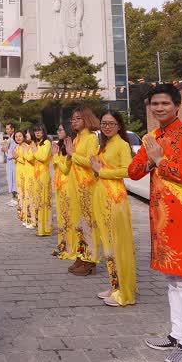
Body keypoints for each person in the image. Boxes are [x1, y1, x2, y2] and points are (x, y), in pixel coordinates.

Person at [128, 84, 182, 362]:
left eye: (165, 103)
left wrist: (161, 160)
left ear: (177, 105)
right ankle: (177, 334)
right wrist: (150, 159)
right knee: (172, 279)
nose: (159, 108)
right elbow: (133, 172)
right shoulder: (152, 136)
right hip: (160, 216)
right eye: (154, 104)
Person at [89, 111, 136, 307]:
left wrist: (102, 171)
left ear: (119, 126)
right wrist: (95, 168)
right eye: (104, 123)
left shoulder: (122, 145)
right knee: (108, 245)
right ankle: (114, 285)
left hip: (114, 199)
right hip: (102, 196)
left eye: (111, 124)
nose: (106, 127)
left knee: (117, 245)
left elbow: (129, 170)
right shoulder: (105, 144)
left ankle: (124, 292)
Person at [63, 107, 101, 276]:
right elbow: (69, 164)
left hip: (86, 186)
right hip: (75, 186)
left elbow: (90, 162)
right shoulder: (77, 139)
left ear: (87, 119)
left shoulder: (91, 138)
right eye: (73, 119)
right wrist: (68, 155)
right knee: (78, 223)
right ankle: (81, 254)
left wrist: (73, 154)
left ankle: (90, 259)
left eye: (78, 118)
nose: (74, 121)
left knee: (88, 223)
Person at [52, 124, 77, 260]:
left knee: (68, 217)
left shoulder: (70, 147)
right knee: (62, 218)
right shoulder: (61, 146)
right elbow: (57, 167)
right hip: (60, 185)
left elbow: (65, 169)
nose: (58, 131)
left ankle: (71, 247)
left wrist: (55, 156)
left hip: (68, 185)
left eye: (61, 129)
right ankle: (63, 245)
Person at [31, 124, 53, 236]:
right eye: (35, 131)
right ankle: (40, 227)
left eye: (39, 131)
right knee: (39, 201)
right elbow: (31, 157)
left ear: (43, 131)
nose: (37, 133)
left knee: (44, 201)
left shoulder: (47, 143)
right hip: (37, 174)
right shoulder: (37, 143)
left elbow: (43, 157)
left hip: (44, 174)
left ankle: (46, 228)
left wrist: (34, 151)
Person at [20, 129, 38, 230]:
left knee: (32, 198)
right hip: (27, 173)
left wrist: (24, 152)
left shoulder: (32, 145)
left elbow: (30, 158)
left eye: (27, 133)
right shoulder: (29, 145)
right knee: (29, 197)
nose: (26, 134)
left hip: (32, 173)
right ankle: (31, 219)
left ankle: (34, 220)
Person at [12, 130, 28, 224]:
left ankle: (27, 215)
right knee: (20, 193)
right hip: (18, 172)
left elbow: (27, 160)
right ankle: (22, 214)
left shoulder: (25, 146)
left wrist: (17, 157)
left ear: (24, 137)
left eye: (20, 136)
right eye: (16, 137)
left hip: (24, 172)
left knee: (25, 194)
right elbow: (16, 160)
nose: (18, 138)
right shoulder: (17, 147)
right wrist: (15, 158)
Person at [3, 123, 18, 207]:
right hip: (9, 162)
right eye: (6, 129)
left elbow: (15, 151)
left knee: (14, 179)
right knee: (10, 179)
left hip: (14, 162)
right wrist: (5, 150)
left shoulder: (15, 138)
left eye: (8, 129)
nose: (7, 130)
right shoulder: (9, 138)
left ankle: (16, 198)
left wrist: (7, 150)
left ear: (13, 129)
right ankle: (13, 197)